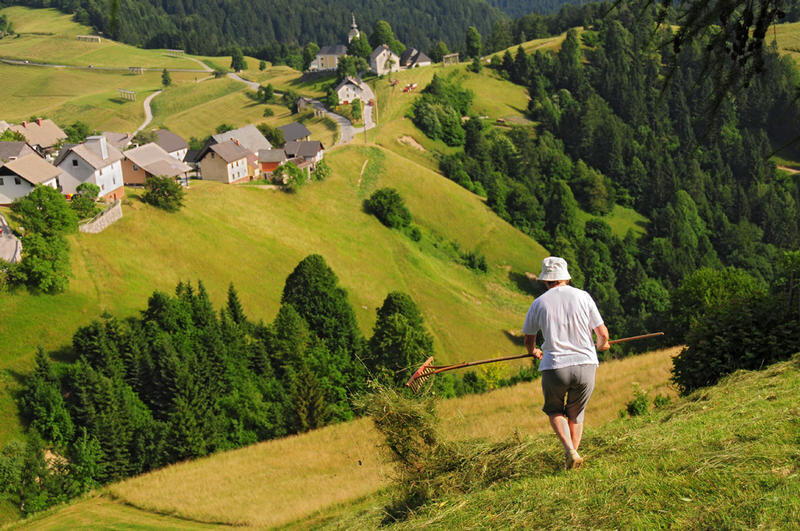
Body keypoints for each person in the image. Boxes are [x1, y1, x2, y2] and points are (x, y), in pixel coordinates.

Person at [522, 256, 610, 470]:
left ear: (546, 281)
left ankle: (570, 452)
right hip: (585, 364)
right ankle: (573, 456)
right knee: (576, 413)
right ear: (566, 278)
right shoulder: (583, 296)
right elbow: (602, 333)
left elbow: (529, 337)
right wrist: (602, 345)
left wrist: (533, 351)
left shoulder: (539, 303)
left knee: (554, 411)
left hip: (555, 366)